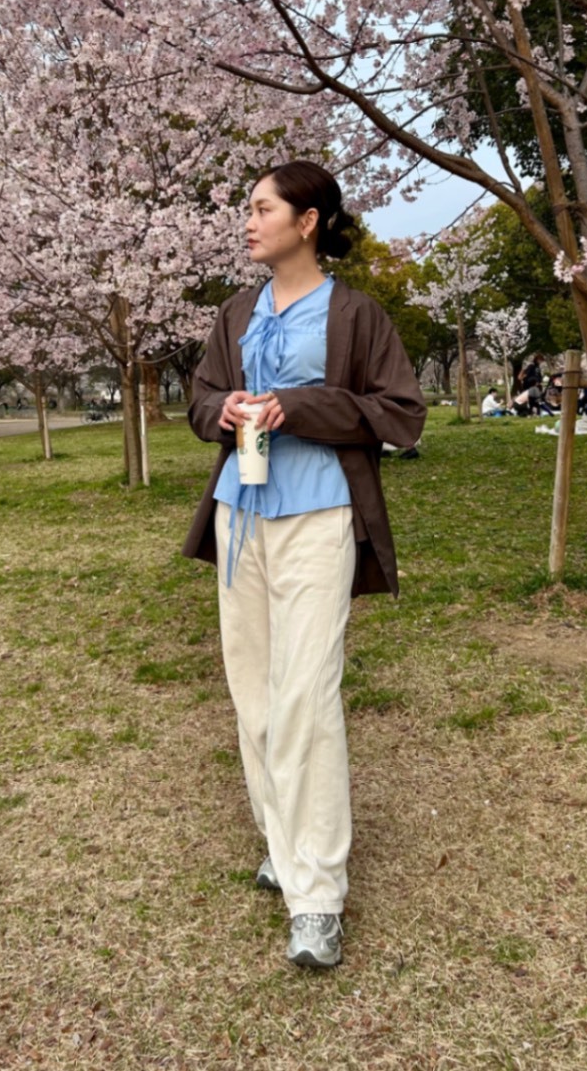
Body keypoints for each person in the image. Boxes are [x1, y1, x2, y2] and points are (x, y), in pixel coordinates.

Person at [183, 159, 425, 970]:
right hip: (239, 517)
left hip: (321, 516)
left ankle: (317, 894)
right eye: (247, 208)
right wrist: (227, 408)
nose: (248, 221)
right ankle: (283, 846)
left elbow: (400, 414)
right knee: (252, 692)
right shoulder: (236, 311)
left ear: (308, 219)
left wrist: (301, 404)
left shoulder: (356, 315)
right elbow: (199, 398)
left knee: (307, 696)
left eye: (261, 208)